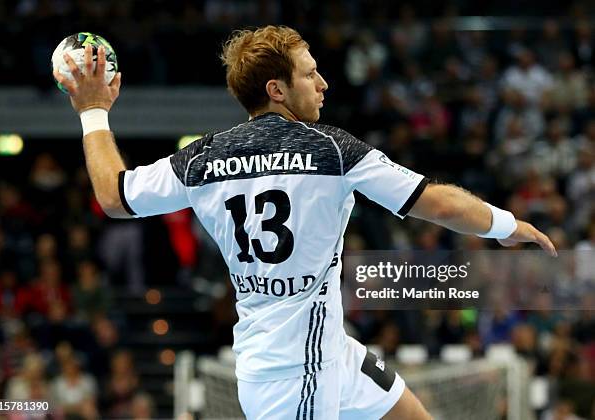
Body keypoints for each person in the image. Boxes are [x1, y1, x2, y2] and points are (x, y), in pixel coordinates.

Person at [54, 25, 557, 420]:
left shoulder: (203, 157)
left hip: (326, 349)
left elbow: (114, 196)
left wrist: (93, 111)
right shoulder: (333, 150)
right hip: (295, 370)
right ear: (277, 89)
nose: (323, 83)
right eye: (310, 74)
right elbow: (438, 204)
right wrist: (509, 225)